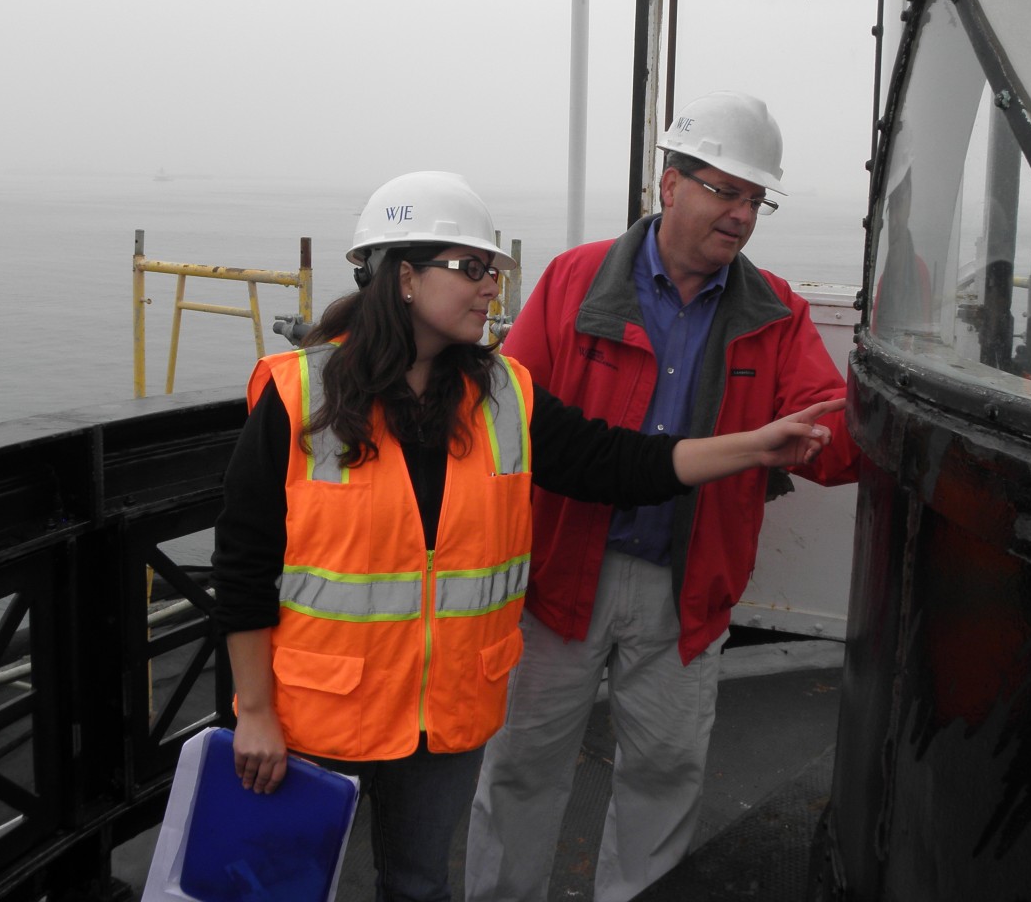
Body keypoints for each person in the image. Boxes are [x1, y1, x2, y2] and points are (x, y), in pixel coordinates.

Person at [211, 169, 843, 902]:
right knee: (286, 889)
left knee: (418, 887)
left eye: (494, 271)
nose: (492, 287)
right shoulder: (298, 395)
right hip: (317, 716)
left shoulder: (502, 394)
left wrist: (755, 446)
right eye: (471, 268)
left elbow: (622, 463)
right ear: (405, 277)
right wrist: (255, 712)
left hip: (441, 721)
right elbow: (244, 565)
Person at [466, 91, 862, 902]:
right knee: (521, 767)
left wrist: (887, 406)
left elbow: (832, 440)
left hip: (688, 588)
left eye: (756, 199)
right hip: (560, 577)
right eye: (725, 190)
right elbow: (509, 423)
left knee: (665, 774)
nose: (742, 214)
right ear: (669, 184)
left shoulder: (777, 312)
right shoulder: (573, 280)